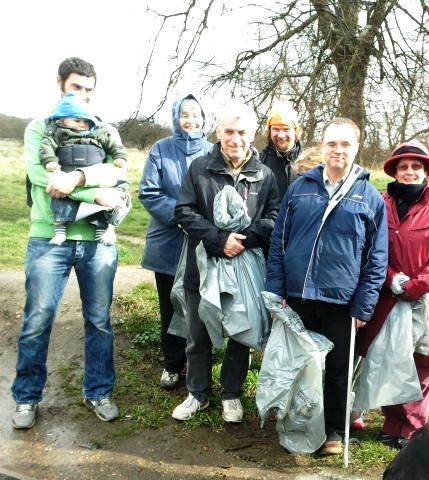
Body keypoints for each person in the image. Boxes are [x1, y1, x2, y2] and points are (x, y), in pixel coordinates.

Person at [12, 57, 127, 429]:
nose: (84, 95)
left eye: (89, 90)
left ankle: (99, 392)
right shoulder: (39, 128)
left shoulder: (104, 129)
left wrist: (75, 178)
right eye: (76, 87)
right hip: (49, 238)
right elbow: (41, 177)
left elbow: (118, 172)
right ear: (59, 83)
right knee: (37, 320)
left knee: (99, 321)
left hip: (98, 241)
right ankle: (27, 398)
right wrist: (95, 192)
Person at [265, 117, 388, 455]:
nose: (338, 150)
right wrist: (276, 288)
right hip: (298, 296)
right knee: (300, 364)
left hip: (341, 301)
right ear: (322, 145)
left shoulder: (369, 197)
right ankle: (300, 424)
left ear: (356, 148)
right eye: (332, 143)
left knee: (337, 369)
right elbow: (279, 242)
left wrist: (364, 304)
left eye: (345, 144)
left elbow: (377, 257)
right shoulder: (300, 188)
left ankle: (333, 429)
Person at [172, 102, 279, 423]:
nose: (235, 139)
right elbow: (184, 211)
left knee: (240, 333)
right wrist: (219, 240)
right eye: (229, 131)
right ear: (218, 132)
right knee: (198, 332)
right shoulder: (200, 168)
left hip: (245, 267)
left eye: (242, 132)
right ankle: (197, 393)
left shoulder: (264, 174)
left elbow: (274, 217)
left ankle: (232, 394)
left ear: (252, 134)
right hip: (202, 266)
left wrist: (243, 239)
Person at [358, 140, 429, 447]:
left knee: (420, 362)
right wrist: (391, 278)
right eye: (403, 167)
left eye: (416, 167)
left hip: (427, 298)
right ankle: (392, 422)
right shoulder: (379, 204)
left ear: (425, 171)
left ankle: (412, 427)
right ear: (394, 172)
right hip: (388, 296)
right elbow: (369, 247)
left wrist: (417, 285)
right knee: (389, 357)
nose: (409, 172)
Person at [139, 94, 213, 389]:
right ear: (175, 118)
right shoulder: (161, 149)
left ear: (204, 118)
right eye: (185, 114)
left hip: (202, 242)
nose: (190, 120)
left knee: (200, 304)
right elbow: (149, 192)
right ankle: (172, 364)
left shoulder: (213, 151)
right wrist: (182, 216)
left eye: (196, 114)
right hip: (168, 242)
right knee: (170, 305)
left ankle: (198, 361)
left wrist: (200, 223)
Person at [40, 92, 129, 246]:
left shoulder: (100, 132)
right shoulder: (57, 132)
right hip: (65, 175)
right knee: (60, 201)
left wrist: (119, 157)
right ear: (62, 119)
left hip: (94, 180)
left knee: (102, 206)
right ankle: (60, 232)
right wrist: (49, 161)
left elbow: (114, 145)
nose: (82, 125)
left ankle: (102, 232)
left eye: (86, 121)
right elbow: (46, 147)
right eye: (77, 121)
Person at [259, 102, 303, 202]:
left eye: (286, 129)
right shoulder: (258, 163)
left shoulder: (308, 163)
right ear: (269, 131)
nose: (281, 135)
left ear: (295, 132)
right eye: (276, 129)